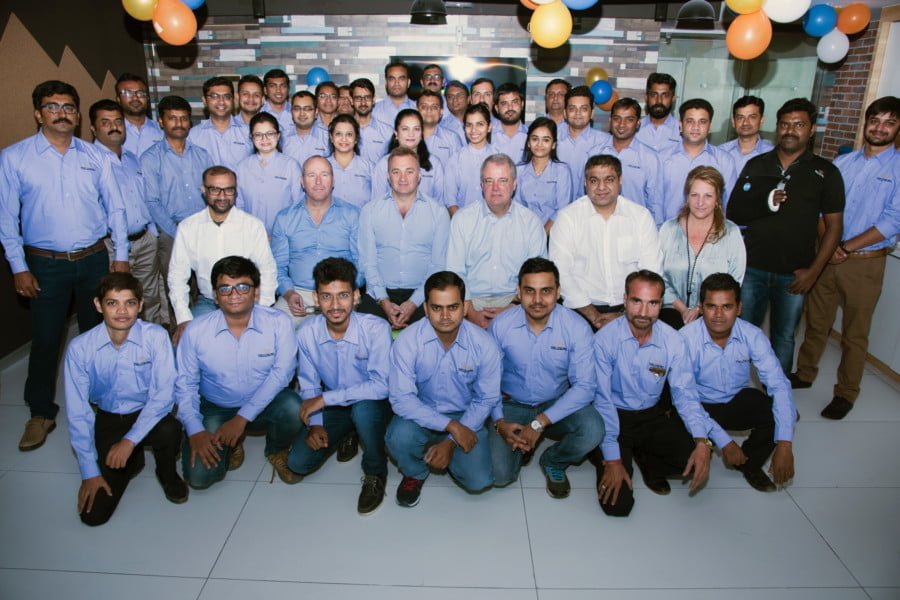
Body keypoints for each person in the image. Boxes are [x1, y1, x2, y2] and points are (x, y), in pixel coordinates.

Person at [1, 80, 129, 452]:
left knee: (99, 336)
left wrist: (120, 256)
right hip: (45, 264)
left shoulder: (95, 156)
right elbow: (7, 219)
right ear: (38, 113)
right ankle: (41, 412)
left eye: (69, 107)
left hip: (94, 260)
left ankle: (101, 401)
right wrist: (18, 267)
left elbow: (116, 209)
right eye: (52, 106)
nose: (62, 113)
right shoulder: (15, 158)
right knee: (46, 338)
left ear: (77, 114)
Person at [793, 96, 900, 419]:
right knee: (816, 323)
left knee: (855, 333)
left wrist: (846, 247)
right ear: (866, 122)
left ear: (898, 128)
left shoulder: (897, 169)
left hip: (865, 263)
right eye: (875, 120)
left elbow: (893, 220)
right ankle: (805, 373)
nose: (879, 128)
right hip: (827, 257)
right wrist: (830, 245)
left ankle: (846, 393)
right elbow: (820, 207)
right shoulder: (842, 163)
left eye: (889, 123)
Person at [727, 98, 845, 375]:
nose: (790, 130)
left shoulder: (826, 172)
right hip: (752, 268)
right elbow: (735, 212)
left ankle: (777, 395)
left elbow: (834, 228)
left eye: (799, 124)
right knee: (743, 333)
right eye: (785, 124)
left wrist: (813, 272)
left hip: (795, 274)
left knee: (783, 337)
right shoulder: (757, 164)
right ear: (777, 127)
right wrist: (766, 200)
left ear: (812, 129)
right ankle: (735, 389)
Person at [64, 273, 187, 526]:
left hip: (148, 413)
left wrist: (129, 441)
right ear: (98, 305)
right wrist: (89, 472)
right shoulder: (80, 348)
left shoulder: (155, 336)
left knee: (171, 429)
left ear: (140, 305)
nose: (122, 311)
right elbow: (78, 412)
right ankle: (133, 461)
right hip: (109, 417)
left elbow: (163, 395)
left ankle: (166, 472)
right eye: (112, 303)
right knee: (93, 516)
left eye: (129, 303)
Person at [592, 270, 715, 517]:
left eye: (653, 303)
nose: (643, 312)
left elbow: (686, 394)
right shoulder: (604, 339)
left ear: (661, 304)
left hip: (651, 415)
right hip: (613, 417)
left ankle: (646, 459)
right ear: (625, 299)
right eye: (636, 301)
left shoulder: (673, 340)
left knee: (695, 460)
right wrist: (613, 460)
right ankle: (609, 455)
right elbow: (601, 401)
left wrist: (702, 441)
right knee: (618, 506)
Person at [175, 256, 303, 489]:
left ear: (256, 292)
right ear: (215, 296)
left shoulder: (278, 323)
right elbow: (185, 385)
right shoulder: (195, 331)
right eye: (225, 288)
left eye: (243, 287)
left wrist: (241, 419)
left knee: (294, 407)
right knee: (200, 478)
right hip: (216, 406)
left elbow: (282, 375)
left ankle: (276, 449)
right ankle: (231, 445)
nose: (234, 295)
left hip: (264, 402)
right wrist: (195, 430)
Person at [489, 258, 603, 498]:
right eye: (530, 291)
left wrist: (538, 422)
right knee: (499, 476)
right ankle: (521, 446)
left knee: (593, 429)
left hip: (555, 402)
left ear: (558, 292)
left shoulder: (576, 327)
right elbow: (487, 382)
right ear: (518, 292)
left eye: (546, 291)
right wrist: (499, 421)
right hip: (511, 403)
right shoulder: (501, 325)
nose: (538, 300)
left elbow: (585, 387)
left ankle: (553, 460)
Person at [386, 271, 501, 507]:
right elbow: (401, 399)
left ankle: (447, 455)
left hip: (466, 415)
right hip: (421, 412)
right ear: (426, 309)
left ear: (465, 307)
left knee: (479, 480)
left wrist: (450, 441)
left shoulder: (485, 344)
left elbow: (486, 399)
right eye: (437, 308)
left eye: (453, 307)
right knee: (397, 438)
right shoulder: (407, 341)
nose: (445, 316)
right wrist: (451, 427)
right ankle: (415, 472)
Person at [289, 258, 393, 515]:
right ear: (316, 298)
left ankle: (375, 471)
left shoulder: (376, 329)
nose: (335, 305)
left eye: (343, 295)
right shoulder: (306, 333)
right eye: (327, 296)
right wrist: (315, 424)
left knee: (364, 410)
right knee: (298, 462)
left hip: (373, 405)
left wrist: (325, 400)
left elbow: (381, 386)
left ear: (356, 296)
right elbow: (310, 386)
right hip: (336, 406)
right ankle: (350, 432)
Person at [681, 273, 796, 492]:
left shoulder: (753, 335)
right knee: (681, 461)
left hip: (735, 400)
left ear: (739, 308)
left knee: (780, 413)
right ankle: (709, 444)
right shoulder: (684, 339)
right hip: (697, 406)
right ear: (701, 308)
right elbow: (685, 399)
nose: (718, 315)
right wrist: (724, 441)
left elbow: (779, 385)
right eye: (711, 306)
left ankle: (749, 464)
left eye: (727, 306)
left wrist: (785, 443)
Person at [550, 155, 660, 331]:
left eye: (609, 180)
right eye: (594, 180)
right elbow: (560, 272)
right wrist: (593, 315)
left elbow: (651, 273)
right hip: (579, 311)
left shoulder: (640, 217)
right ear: (585, 183)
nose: (601, 187)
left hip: (633, 312)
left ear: (620, 180)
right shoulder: (568, 218)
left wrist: (624, 314)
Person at [168, 166, 277, 343]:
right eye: (215, 190)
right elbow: (177, 277)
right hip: (209, 303)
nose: (222, 196)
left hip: (246, 303)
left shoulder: (252, 226)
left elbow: (267, 270)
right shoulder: (188, 228)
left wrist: (261, 310)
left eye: (228, 190)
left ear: (236, 191)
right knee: (184, 342)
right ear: (204, 190)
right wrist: (183, 319)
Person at [447, 154, 547, 328]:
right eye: (489, 181)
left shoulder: (531, 222)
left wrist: (513, 308)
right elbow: (455, 272)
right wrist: (471, 313)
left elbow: (538, 276)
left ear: (514, 184)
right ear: (481, 185)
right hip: (471, 302)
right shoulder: (462, 220)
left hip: (517, 303)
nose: (495, 188)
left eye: (502, 180)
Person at [141, 94, 213, 330]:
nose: (179, 123)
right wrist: (178, 231)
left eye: (183, 118)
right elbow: (152, 201)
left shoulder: (202, 154)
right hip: (171, 233)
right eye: (172, 118)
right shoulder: (151, 158)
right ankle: (180, 336)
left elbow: (212, 192)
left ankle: (205, 333)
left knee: (205, 287)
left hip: (203, 230)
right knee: (177, 290)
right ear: (161, 121)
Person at [358, 147, 450, 328]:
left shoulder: (438, 213)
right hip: (380, 294)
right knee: (363, 326)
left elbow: (438, 265)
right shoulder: (369, 211)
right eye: (396, 172)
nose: (402, 178)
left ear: (419, 175)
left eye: (409, 171)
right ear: (388, 176)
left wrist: (414, 302)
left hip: (423, 293)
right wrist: (384, 301)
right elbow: (368, 263)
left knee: (435, 324)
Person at [89, 99, 163, 325]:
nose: (114, 127)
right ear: (93, 128)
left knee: (149, 296)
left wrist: (152, 233)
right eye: (106, 122)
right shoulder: (90, 162)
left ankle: (150, 339)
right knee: (119, 302)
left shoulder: (132, 159)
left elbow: (143, 197)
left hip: (145, 240)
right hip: (112, 245)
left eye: (118, 121)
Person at [271, 155, 360, 328]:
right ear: (302, 181)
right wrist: (288, 293)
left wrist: (345, 290)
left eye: (324, 175)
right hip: (299, 293)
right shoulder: (284, 218)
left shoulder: (353, 215)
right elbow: (278, 267)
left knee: (344, 334)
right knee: (274, 328)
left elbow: (361, 263)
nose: (318, 181)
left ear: (333, 180)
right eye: (311, 175)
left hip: (341, 292)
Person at [658, 166, 746, 329]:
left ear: (718, 199)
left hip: (714, 315)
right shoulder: (668, 229)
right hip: (670, 311)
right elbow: (658, 275)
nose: (700, 202)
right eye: (695, 195)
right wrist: (683, 309)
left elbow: (734, 281)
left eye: (708, 196)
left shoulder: (731, 233)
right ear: (687, 197)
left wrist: (700, 309)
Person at [657, 99, 738, 226]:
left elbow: (728, 204)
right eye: (690, 121)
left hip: (709, 233)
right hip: (668, 231)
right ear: (680, 125)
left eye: (702, 121)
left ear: (710, 126)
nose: (696, 127)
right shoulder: (661, 158)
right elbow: (655, 201)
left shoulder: (724, 161)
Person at [587, 97, 663, 216]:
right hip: (599, 221)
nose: (622, 124)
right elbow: (586, 195)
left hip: (635, 223)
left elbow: (655, 202)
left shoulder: (650, 158)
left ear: (638, 123)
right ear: (610, 120)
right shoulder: (594, 153)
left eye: (629, 119)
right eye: (617, 119)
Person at [235, 112, 303, 235]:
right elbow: (239, 206)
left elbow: (298, 205)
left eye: (270, 134)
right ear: (251, 137)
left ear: (278, 135)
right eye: (258, 135)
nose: (264, 139)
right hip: (250, 235)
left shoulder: (291, 166)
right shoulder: (242, 167)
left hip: (283, 235)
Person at [514, 117, 575, 234]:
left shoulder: (562, 171)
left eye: (546, 140)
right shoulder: (518, 170)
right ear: (528, 143)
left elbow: (562, 209)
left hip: (553, 234)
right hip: (524, 232)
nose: (539, 144)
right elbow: (517, 207)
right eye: (535, 139)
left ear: (553, 144)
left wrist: (542, 234)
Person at [371, 109, 444, 204]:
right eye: (405, 129)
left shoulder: (434, 163)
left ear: (421, 134)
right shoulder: (384, 164)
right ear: (396, 133)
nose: (411, 134)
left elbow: (439, 203)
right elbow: (377, 202)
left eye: (416, 129)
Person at [443, 103, 499, 215]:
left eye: (480, 124)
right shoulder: (455, 159)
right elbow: (450, 200)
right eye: (469, 125)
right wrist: (461, 222)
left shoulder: (499, 158)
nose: (474, 130)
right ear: (464, 128)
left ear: (489, 127)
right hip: (462, 220)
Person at [187, 77, 253, 171]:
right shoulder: (193, 136)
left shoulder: (248, 132)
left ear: (233, 99)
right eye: (215, 96)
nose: (221, 101)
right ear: (205, 100)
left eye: (226, 96)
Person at [557, 86, 612, 193]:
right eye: (572, 109)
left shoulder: (605, 142)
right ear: (565, 113)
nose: (578, 113)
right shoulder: (552, 138)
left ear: (592, 113)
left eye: (584, 109)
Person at [326, 113, 373, 209]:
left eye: (349, 134)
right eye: (338, 134)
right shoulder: (322, 166)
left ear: (356, 139)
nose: (344, 139)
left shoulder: (369, 168)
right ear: (331, 137)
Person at [720, 95, 774, 172]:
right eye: (740, 117)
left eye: (752, 117)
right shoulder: (721, 152)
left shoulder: (772, 154)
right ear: (733, 121)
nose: (745, 123)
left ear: (761, 120)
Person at [116, 73, 163, 157]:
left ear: (147, 98)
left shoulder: (162, 131)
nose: (135, 98)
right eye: (128, 93)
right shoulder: (113, 132)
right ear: (118, 99)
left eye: (140, 93)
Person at [350, 78, 394, 164]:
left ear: (373, 99)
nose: (363, 103)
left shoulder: (387, 132)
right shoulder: (342, 131)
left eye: (367, 97)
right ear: (351, 100)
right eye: (358, 98)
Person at [635, 72, 681, 154]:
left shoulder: (681, 131)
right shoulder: (634, 128)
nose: (659, 101)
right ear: (646, 97)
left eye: (665, 95)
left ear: (673, 99)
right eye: (654, 95)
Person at [282, 91, 330, 167]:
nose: (302, 113)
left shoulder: (327, 137)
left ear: (316, 112)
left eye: (307, 109)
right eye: (297, 109)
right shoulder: (282, 137)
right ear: (291, 112)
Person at [418, 89, 463, 166]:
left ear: (441, 112)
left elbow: (459, 169)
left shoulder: (452, 139)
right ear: (417, 110)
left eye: (434, 107)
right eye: (424, 106)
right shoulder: (408, 137)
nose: (429, 110)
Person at [492, 83, 528, 163]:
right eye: (504, 103)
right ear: (497, 108)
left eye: (514, 102)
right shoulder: (488, 135)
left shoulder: (531, 136)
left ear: (522, 104)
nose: (510, 107)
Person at [372, 62, 416, 126]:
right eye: (392, 79)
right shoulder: (373, 110)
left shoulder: (418, 108)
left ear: (408, 82)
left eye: (401, 79)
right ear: (386, 82)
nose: (396, 83)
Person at [261, 68, 294, 133]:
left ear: (288, 89)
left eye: (283, 86)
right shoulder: (258, 114)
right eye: (273, 86)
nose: (278, 90)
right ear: (265, 90)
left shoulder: (297, 113)